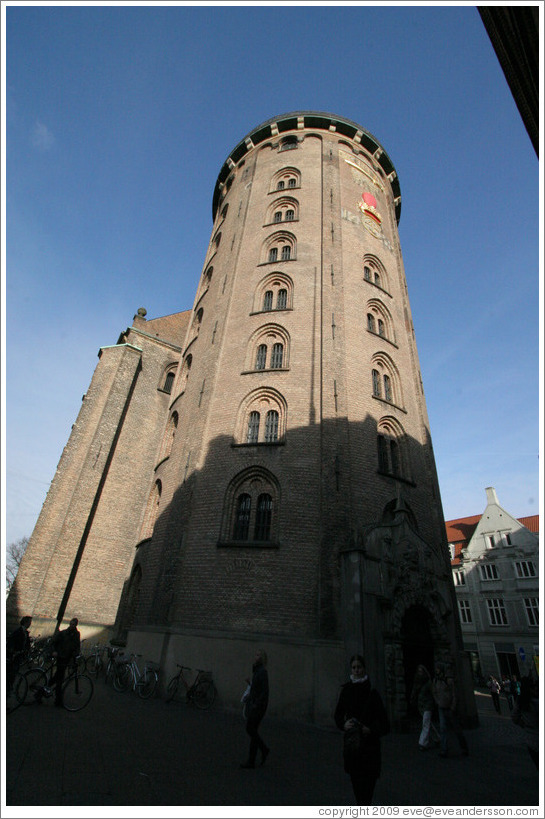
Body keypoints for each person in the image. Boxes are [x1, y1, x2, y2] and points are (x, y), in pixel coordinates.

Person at [334, 654, 390, 805]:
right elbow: (338, 714)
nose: (356, 670)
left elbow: (385, 723)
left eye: (359, 667)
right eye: (354, 667)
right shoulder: (346, 690)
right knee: (358, 791)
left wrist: (371, 730)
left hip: (370, 748)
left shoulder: (372, 692)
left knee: (368, 791)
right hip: (353, 747)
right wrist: (343, 725)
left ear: (364, 669)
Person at [240, 649, 270, 769]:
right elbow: (257, 688)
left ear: (262, 658)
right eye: (255, 654)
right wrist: (250, 689)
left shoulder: (262, 672)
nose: (255, 656)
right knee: (253, 731)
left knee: (250, 729)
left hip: (258, 707)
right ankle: (251, 760)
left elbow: (264, 691)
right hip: (256, 704)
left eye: (258, 655)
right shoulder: (258, 670)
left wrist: (256, 703)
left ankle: (264, 749)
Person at [432, 662, 469, 758]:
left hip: (450, 707)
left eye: (437, 668)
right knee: (443, 728)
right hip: (441, 707)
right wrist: (437, 701)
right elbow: (434, 692)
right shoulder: (436, 680)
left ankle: (464, 747)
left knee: (456, 729)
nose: (436, 670)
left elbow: (454, 694)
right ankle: (444, 749)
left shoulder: (448, 680)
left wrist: (453, 706)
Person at [49, 618, 81, 706]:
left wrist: (76, 654)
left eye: (73, 624)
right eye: (71, 624)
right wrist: (54, 651)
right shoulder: (63, 633)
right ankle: (58, 701)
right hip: (61, 657)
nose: (72, 626)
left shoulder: (76, 634)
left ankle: (42, 692)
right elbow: (53, 642)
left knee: (57, 677)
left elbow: (77, 646)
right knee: (59, 679)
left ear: (76, 625)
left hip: (67, 658)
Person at [511, 676, 539, 770]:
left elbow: (515, 717)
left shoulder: (521, 701)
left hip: (531, 739)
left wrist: (524, 725)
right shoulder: (536, 701)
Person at [410, 664, 438, 751]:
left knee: (425, 723)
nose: (420, 673)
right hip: (421, 705)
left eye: (421, 671)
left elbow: (434, 693)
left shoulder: (428, 682)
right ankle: (437, 738)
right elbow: (414, 692)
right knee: (428, 723)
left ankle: (422, 743)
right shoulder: (417, 682)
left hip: (428, 705)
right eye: (418, 671)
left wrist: (437, 702)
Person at [6, 616, 32, 690]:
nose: (30, 624)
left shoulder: (25, 632)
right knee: (10, 674)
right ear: (25, 622)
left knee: (13, 673)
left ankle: (9, 688)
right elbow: (11, 643)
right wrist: (13, 652)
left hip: (18, 657)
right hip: (14, 657)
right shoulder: (18, 632)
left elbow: (26, 644)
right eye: (29, 622)